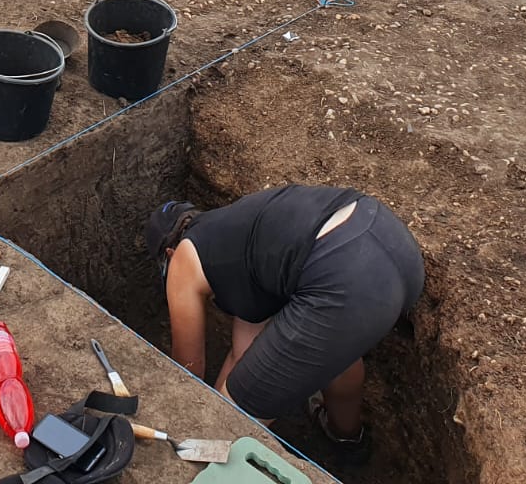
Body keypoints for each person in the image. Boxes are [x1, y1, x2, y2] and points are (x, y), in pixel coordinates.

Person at [145, 185, 423, 461]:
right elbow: (246, 356)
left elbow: (187, 372)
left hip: (344, 271)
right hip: (394, 246)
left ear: (168, 253)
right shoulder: (238, 234)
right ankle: (348, 441)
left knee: (228, 422)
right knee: (334, 351)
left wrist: (197, 429)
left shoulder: (182, 257)